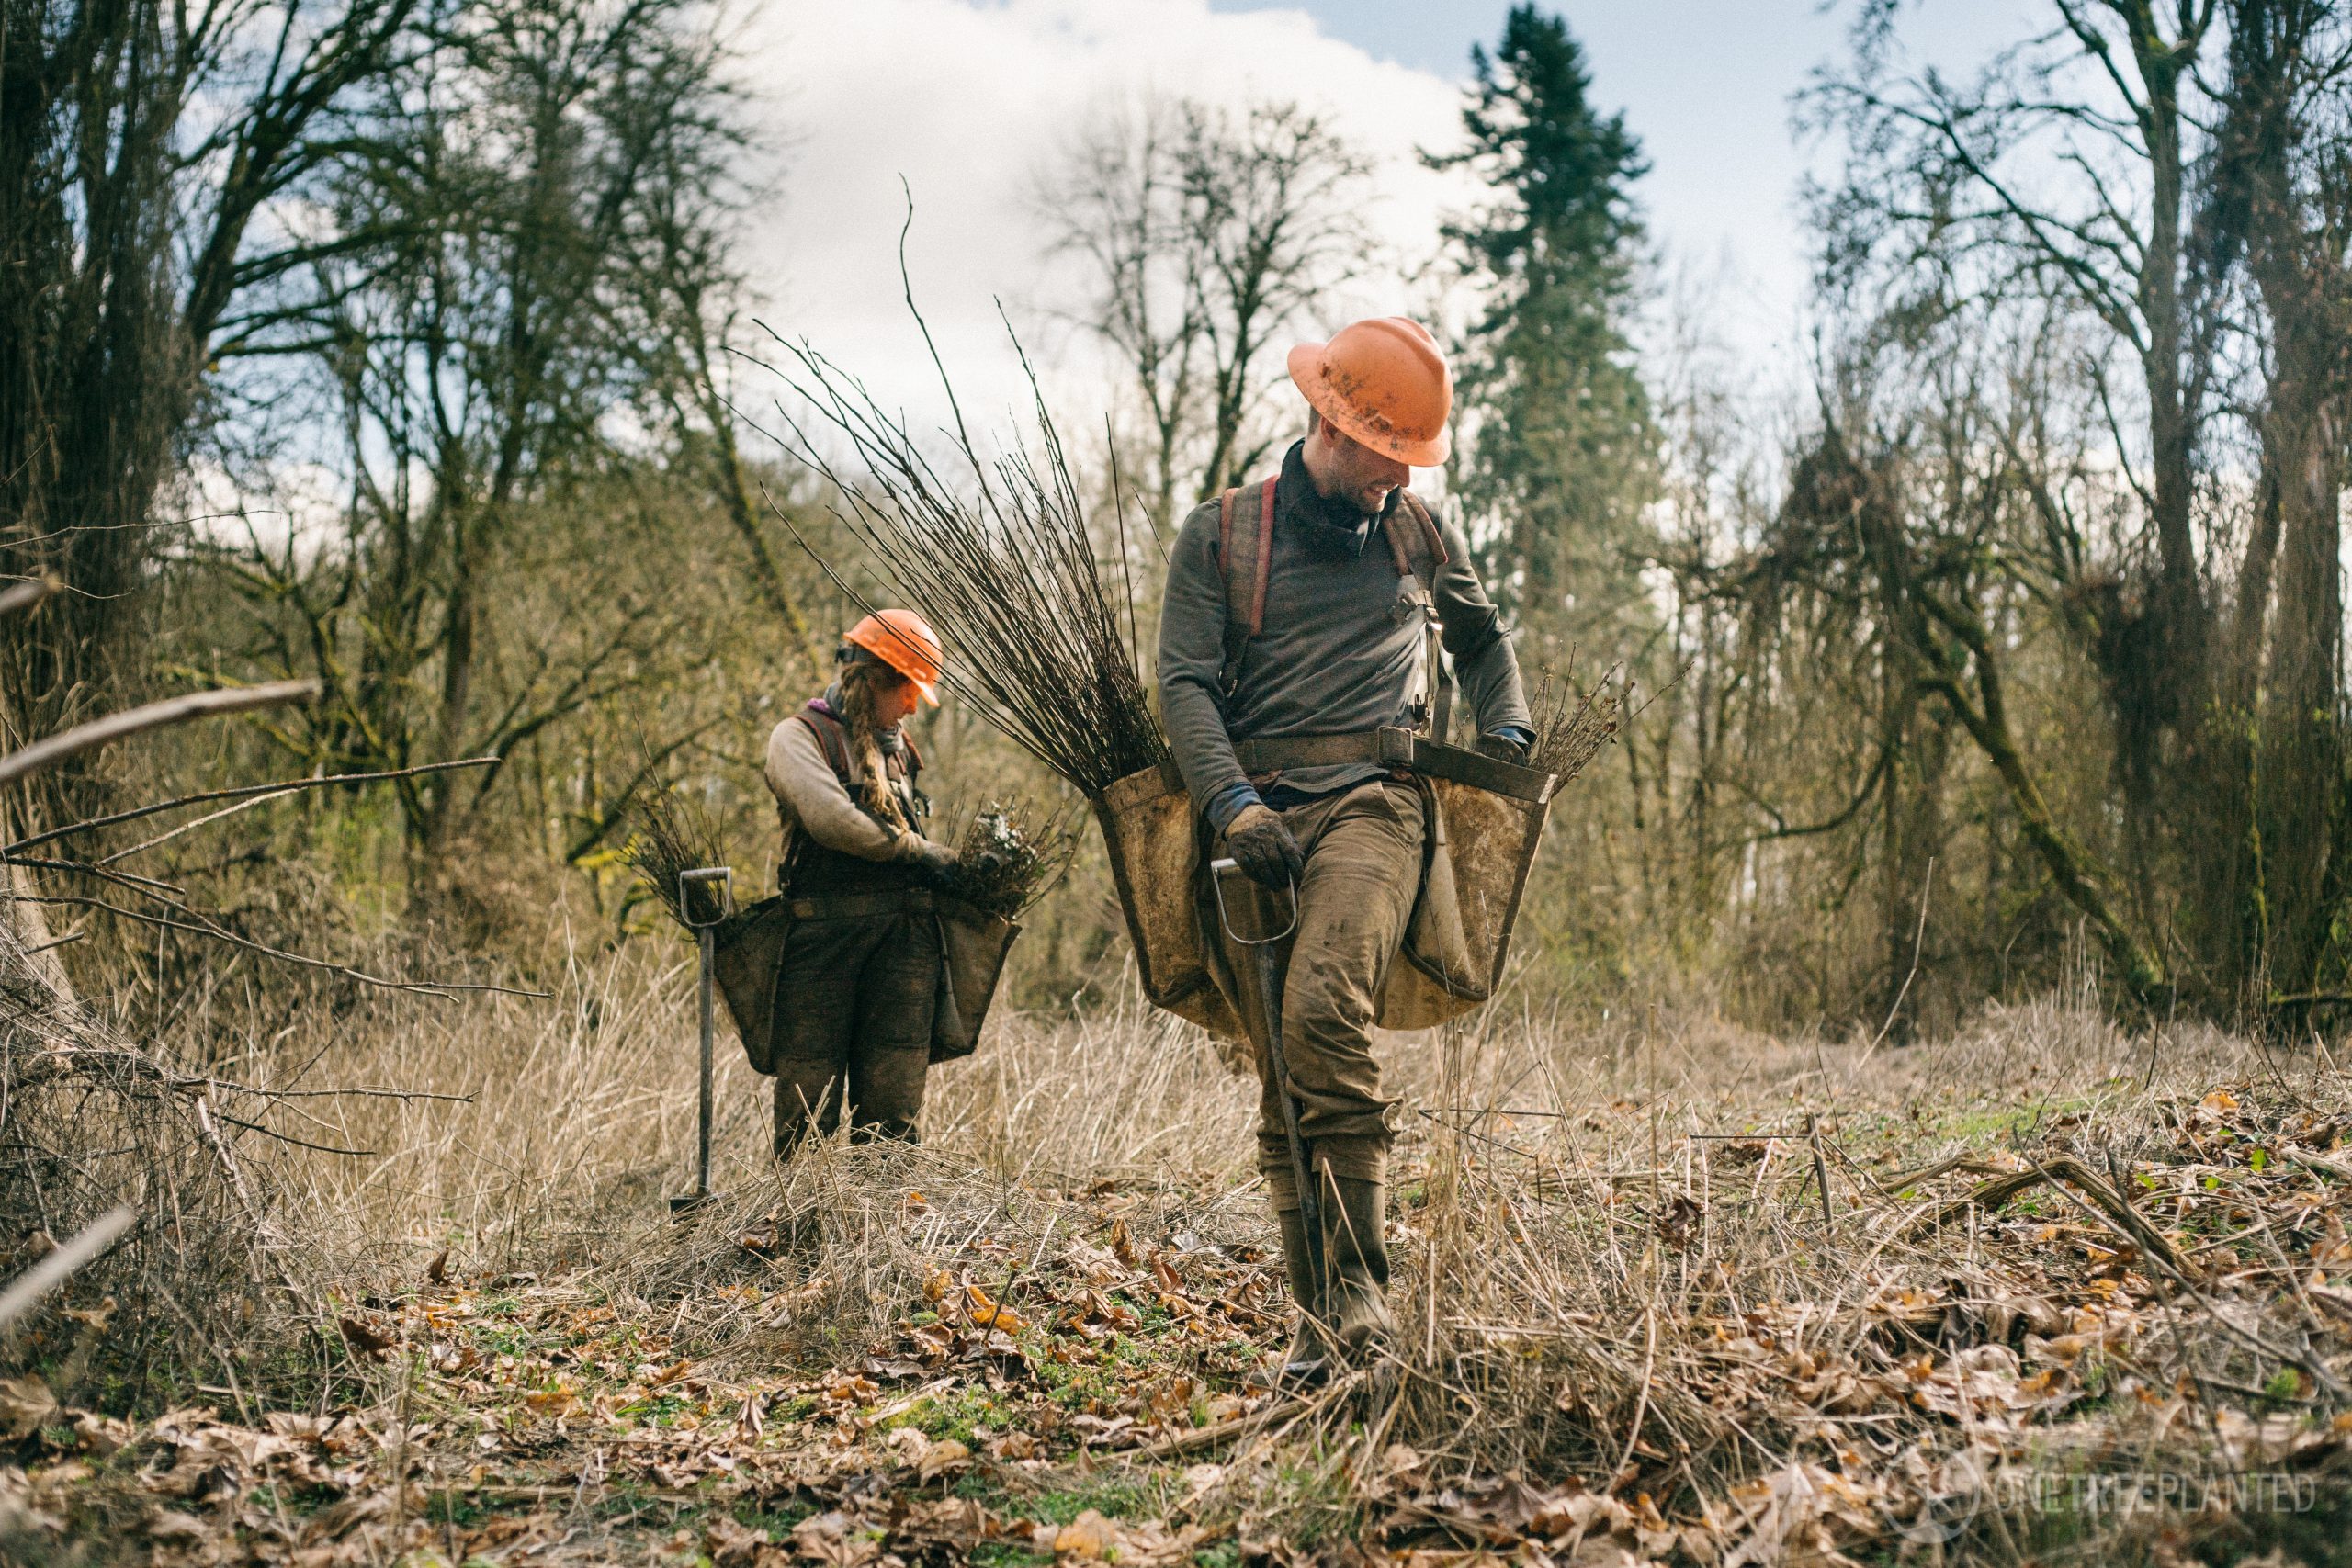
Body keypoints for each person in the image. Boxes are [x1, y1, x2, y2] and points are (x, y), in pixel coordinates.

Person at [1156, 318, 1533, 1383]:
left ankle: (1364, 1291)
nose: (1399, 479)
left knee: (1324, 1010)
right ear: (1333, 423)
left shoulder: (1419, 533)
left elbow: (1484, 639)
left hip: (1378, 803)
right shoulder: (1220, 533)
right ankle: (1314, 1330)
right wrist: (1229, 803)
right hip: (1255, 820)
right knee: (1280, 1068)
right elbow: (1182, 681)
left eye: (1415, 463)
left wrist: (1505, 728)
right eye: (1389, 456)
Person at [762, 608, 960, 1157]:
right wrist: (920, 850)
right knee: (807, 1114)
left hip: (903, 947)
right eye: (909, 689)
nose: (915, 704)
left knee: (892, 1117)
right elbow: (833, 822)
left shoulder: (899, 755)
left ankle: (886, 1237)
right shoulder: (797, 738)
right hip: (821, 947)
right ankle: (804, 1229)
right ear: (874, 679)